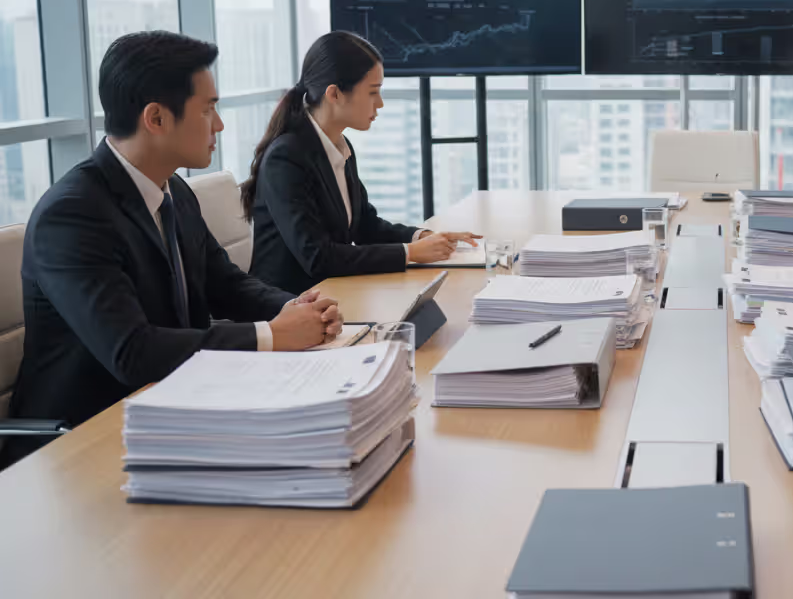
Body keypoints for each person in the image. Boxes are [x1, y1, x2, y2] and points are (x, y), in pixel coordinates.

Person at [0, 32, 342, 468]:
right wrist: (274, 335)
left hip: (174, 409)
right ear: (157, 118)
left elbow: (227, 284)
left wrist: (299, 307)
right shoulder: (72, 215)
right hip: (82, 446)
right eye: (207, 108)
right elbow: (132, 352)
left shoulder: (174, 191)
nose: (219, 124)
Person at [244, 31, 481, 294]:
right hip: (289, 307)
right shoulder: (286, 158)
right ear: (334, 94)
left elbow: (365, 226)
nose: (379, 104)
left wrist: (423, 238)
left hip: (333, 295)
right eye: (372, 92)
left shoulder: (340, 147)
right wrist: (410, 253)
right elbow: (318, 257)